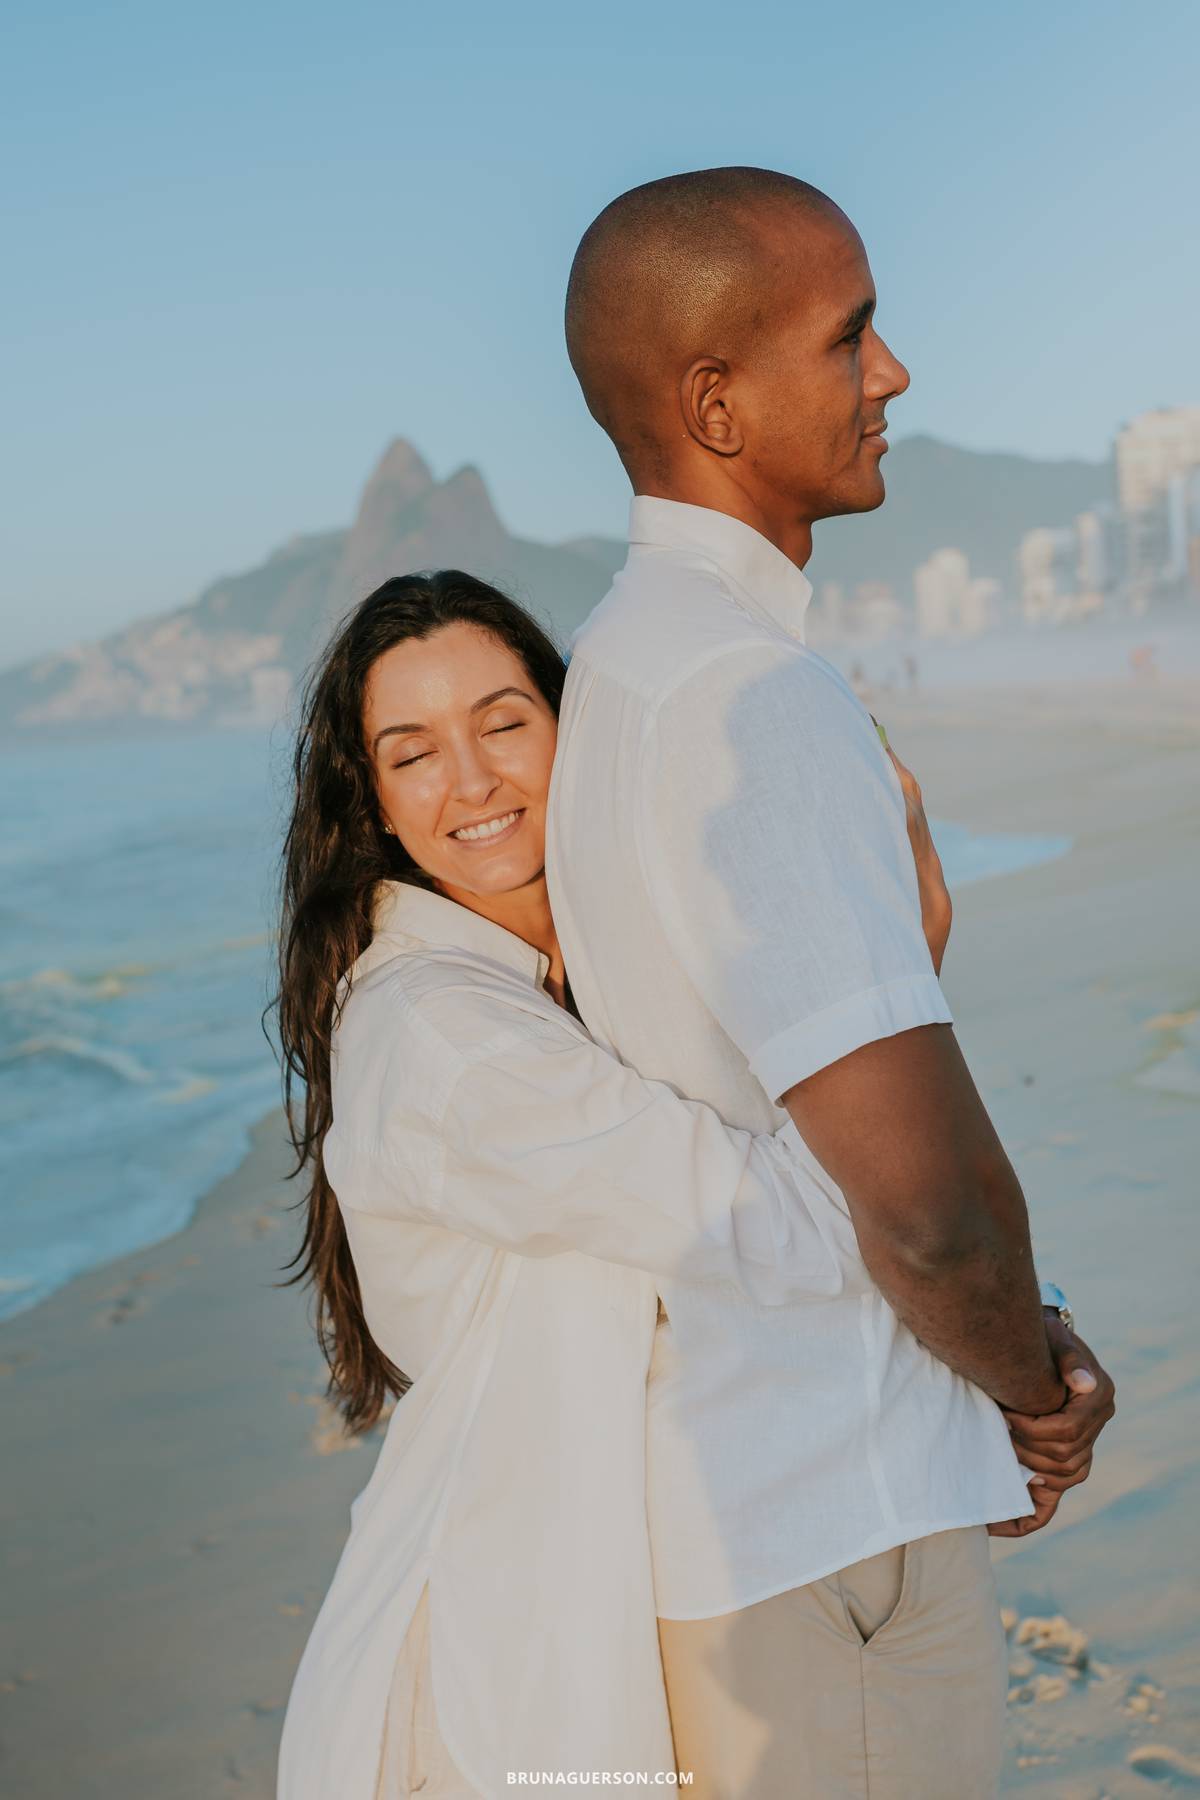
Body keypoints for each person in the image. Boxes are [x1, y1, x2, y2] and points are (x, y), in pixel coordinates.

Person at [550, 167, 1115, 1800]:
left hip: (753, 1506)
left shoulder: (626, 659)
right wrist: (1040, 1381)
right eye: (852, 334)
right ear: (716, 401)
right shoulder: (750, 696)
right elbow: (920, 1199)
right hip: (834, 1514)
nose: (895, 374)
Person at [275, 571, 962, 1800]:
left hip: (611, 1620)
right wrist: (886, 988)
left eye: (502, 722)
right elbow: (784, 1223)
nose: (473, 782)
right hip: (500, 1682)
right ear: (372, 803)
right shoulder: (446, 1035)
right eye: (413, 753)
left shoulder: (585, 973)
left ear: (568, 728)